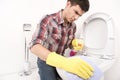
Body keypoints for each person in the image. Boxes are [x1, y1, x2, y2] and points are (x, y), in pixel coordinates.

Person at [30, 0, 94, 80]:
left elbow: (69, 44)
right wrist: (63, 62)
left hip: (62, 60)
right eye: (76, 12)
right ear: (68, 4)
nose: (76, 18)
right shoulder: (48, 20)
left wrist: (74, 44)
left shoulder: (73, 26)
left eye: (79, 16)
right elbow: (34, 46)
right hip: (45, 61)